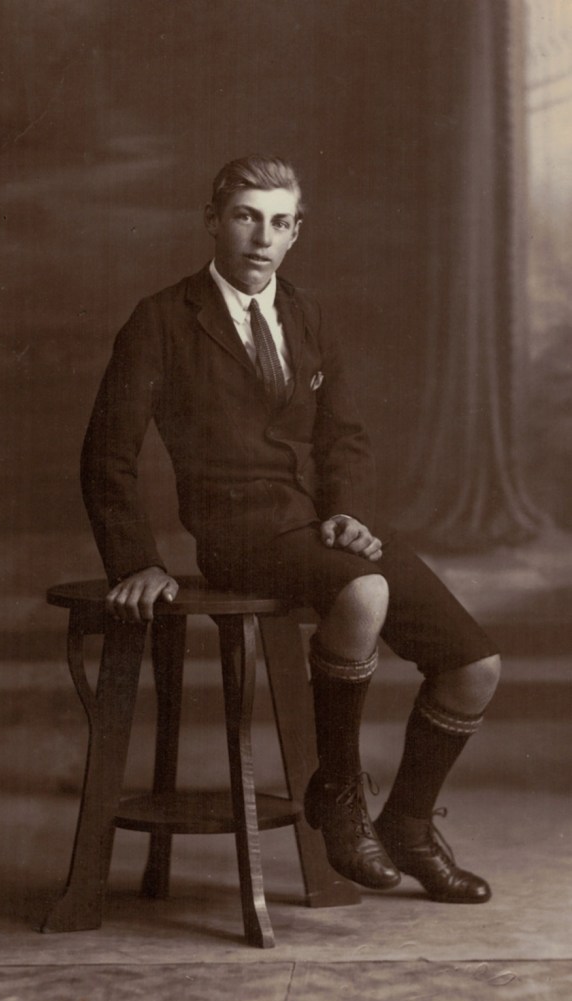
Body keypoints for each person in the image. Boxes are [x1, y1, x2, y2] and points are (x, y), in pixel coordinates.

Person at [81, 154, 501, 903]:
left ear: (296, 232)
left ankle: (407, 825)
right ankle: (336, 792)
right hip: (237, 530)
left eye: (279, 222)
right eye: (246, 217)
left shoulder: (307, 314)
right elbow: (107, 454)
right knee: (364, 593)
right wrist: (135, 561)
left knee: (476, 666)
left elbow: (345, 437)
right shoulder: (162, 319)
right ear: (213, 221)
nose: (261, 237)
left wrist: (348, 513)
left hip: (316, 524)